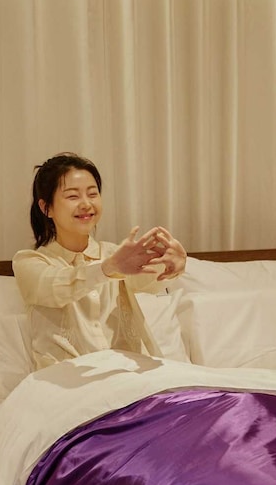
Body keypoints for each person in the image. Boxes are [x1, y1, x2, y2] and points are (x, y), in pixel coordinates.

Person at [13, 152, 187, 369]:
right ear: (46, 207)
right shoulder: (29, 262)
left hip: (130, 375)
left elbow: (146, 281)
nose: (86, 204)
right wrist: (107, 268)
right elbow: (58, 286)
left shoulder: (114, 254)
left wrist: (172, 266)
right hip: (66, 380)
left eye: (92, 194)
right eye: (73, 196)